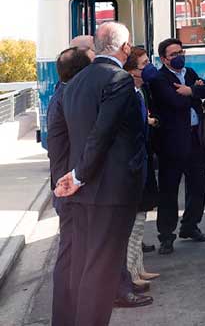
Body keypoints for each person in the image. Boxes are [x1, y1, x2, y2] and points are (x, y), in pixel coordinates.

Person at [53, 22, 152, 323]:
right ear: (123, 48)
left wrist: (75, 178)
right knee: (103, 274)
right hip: (110, 192)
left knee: (85, 269)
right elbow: (102, 134)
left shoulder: (75, 82)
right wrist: (79, 175)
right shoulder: (119, 79)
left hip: (84, 194)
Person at [148, 38, 205, 253]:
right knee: (169, 189)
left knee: (198, 184)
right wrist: (194, 93)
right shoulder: (159, 80)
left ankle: (190, 225)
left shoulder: (190, 73)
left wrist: (191, 91)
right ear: (164, 58)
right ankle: (166, 236)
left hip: (194, 137)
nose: (179, 57)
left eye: (181, 52)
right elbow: (175, 103)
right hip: (171, 142)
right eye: (174, 54)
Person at [46, 43, 93, 326]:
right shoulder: (69, 98)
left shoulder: (63, 94)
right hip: (70, 191)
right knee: (71, 257)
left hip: (68, 188)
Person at [122, 48, 160, 282]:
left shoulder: (141, 91)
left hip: (145, 161)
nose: (148, 67)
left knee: (141, 221)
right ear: (132, 70)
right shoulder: (129, 94)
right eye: (144, 64)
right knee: (133, 226)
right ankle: (130, 272)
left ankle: (139, 268)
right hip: (134, 165)